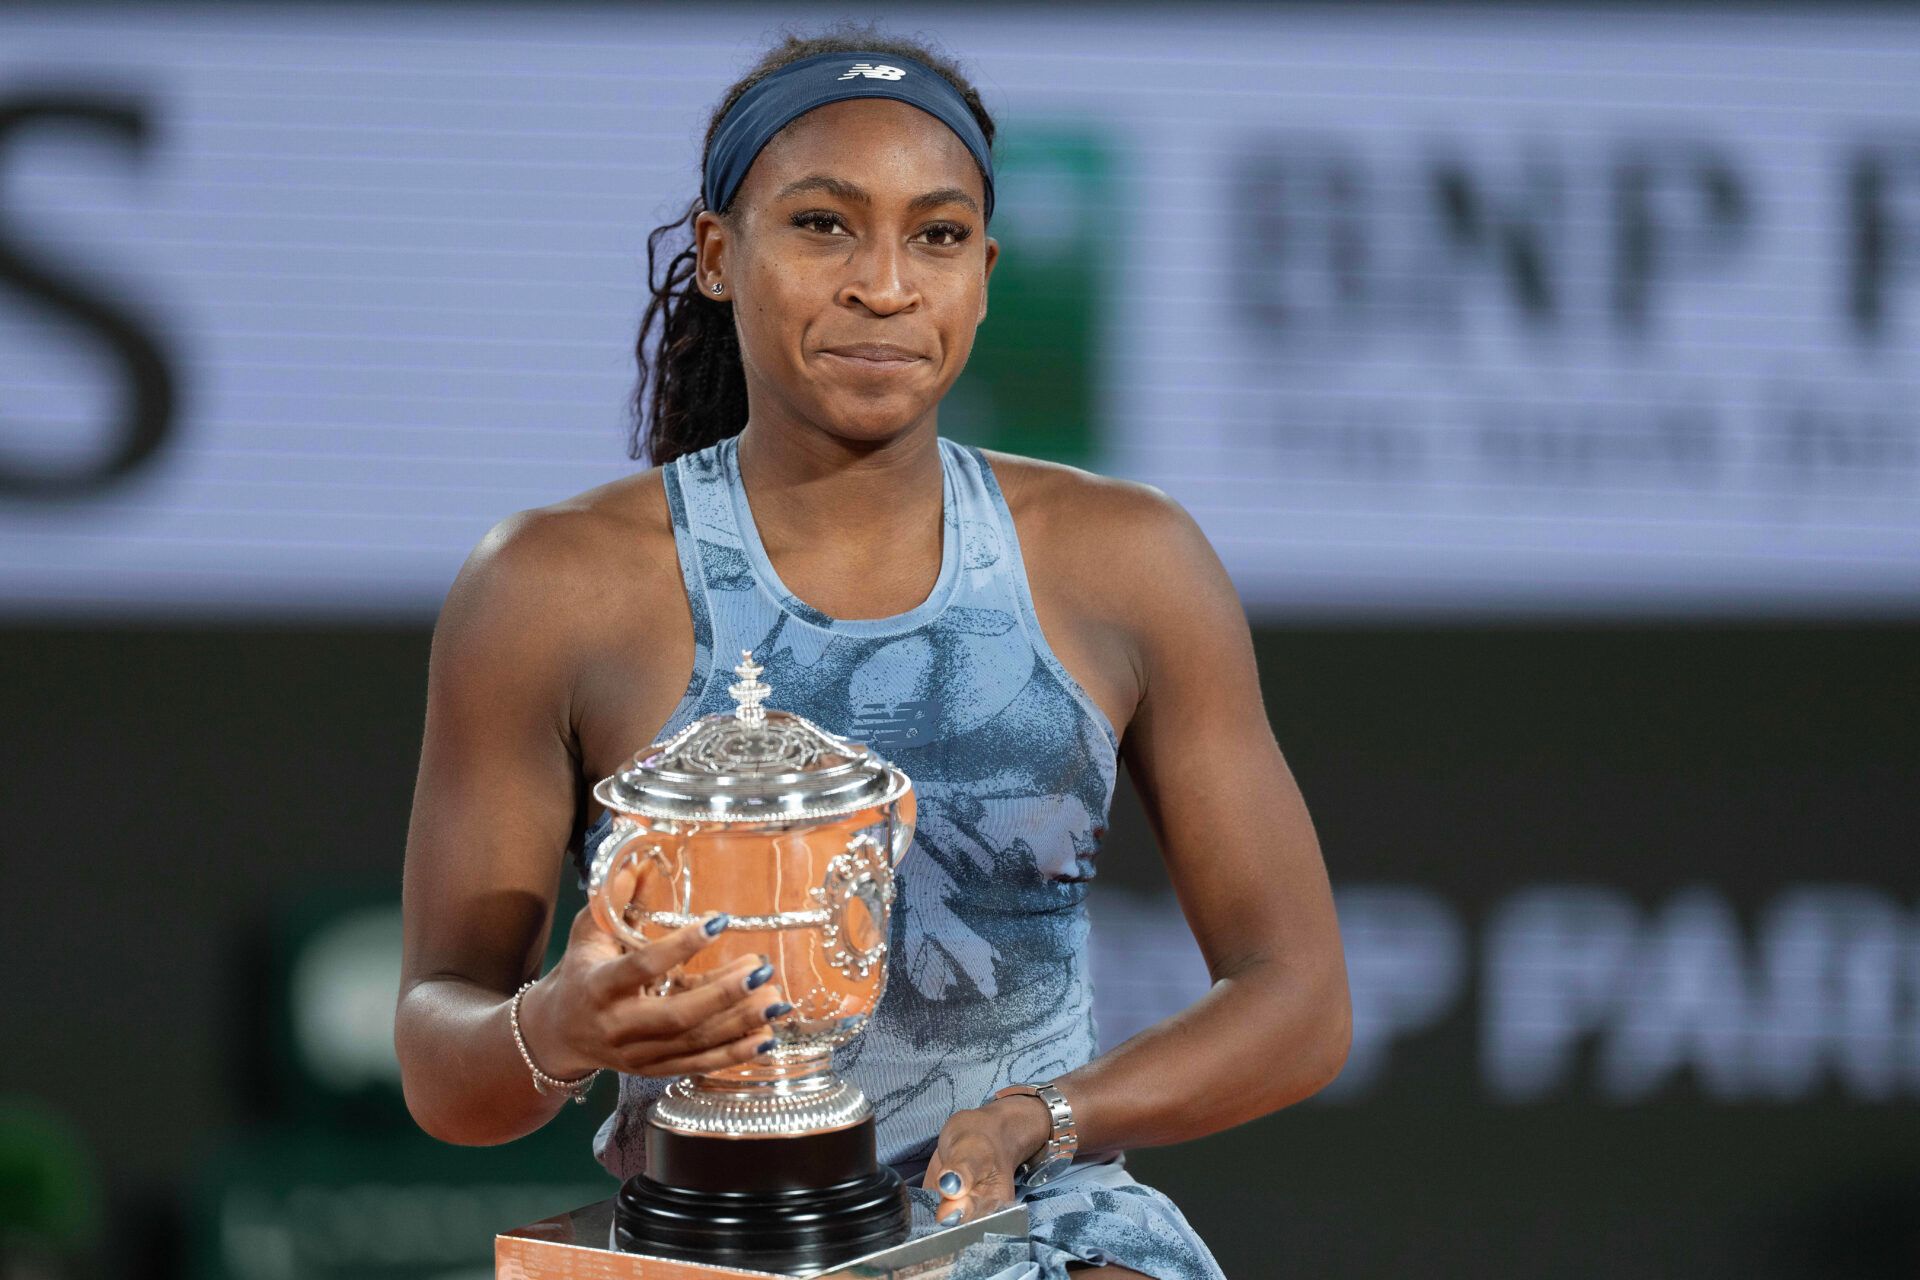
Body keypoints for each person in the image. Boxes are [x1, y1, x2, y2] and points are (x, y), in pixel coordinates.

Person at [395, 22, 1350, 1280]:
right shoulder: (547, 585)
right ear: (720, 255)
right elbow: (442, 1054)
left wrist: (1039, 1118)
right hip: (709, 1243)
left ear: (987, 271)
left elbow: (1300, 999)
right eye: (824, 225)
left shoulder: (1131, 560)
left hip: (1036, 1226)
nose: (885, 284)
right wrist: (558, 1025)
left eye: (938, 235)